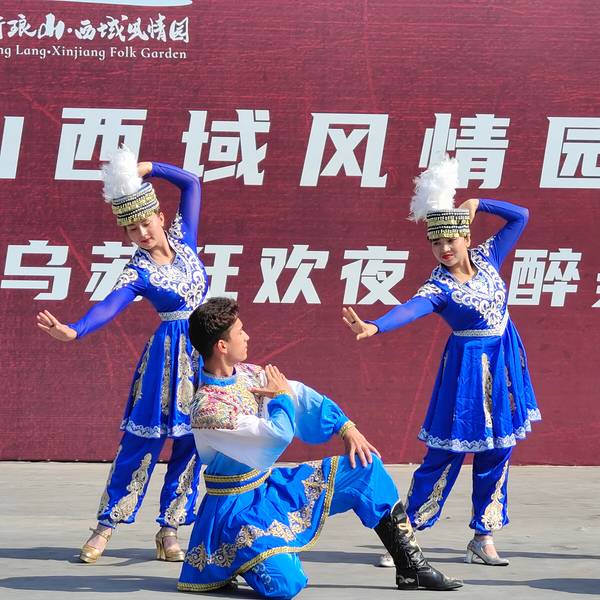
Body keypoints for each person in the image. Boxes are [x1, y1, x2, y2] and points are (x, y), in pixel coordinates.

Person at [177, 297, 462, 596]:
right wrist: (281, 398)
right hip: (234, 510)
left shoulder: (249, 374)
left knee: (366, 469)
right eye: (240, 332)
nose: (247, 336)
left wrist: (345, 427)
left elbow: (298, 393)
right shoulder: (208, 409)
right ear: (222, 346)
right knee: (286, 585)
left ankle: (412, 567)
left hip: (269, 487)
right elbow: (275, 436)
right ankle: (238, 558)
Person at [343, 157, 540, 566]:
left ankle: (483, 535)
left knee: (498, 450)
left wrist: (477, 203)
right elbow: (410, 308)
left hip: (503, 363)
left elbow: (520, 216)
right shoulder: (439, 286)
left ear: (466, 237)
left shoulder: (489, 257)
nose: (445, 249)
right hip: (466, 372)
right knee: (444, 455)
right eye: (437, 243)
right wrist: (376, 326)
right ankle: (405, 536)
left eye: (451, 240)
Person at [36, 147, 209, 563]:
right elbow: (109, 306)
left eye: (146, 222)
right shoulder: (139, 271)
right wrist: (75, 329)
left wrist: (150, 167)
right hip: (166, 360)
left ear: (160, 217)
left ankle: (170, 529)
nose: (142, 233)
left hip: (203, 354)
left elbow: (192, 183)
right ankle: (106, 525)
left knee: (192, 442)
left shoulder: (185, 239)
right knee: (141, 441)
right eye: (132, 229)